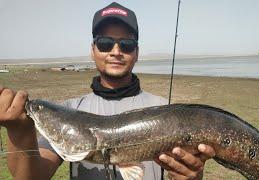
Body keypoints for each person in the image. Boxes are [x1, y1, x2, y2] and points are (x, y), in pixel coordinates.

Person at [0, 2, 215, 180]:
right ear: (93, 50)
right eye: (104, 43)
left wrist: (191, 176)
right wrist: (19, 133)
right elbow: (30, 177)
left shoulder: (164, 110)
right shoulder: (69, 110)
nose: (116, 51)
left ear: (137, 52)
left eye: (127, 44)